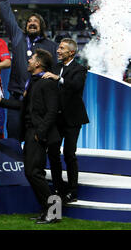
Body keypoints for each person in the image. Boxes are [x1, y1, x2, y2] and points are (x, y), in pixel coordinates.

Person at [0, 49, 60, 224]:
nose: (29, 61)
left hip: (38, 134)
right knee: (31, 172)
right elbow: (23, 106)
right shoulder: (33, 82)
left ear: (38, 64)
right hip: (31, 133)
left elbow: (52, 111)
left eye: (31, 59)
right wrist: (2, 101)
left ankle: (54, 211)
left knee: (34, 172)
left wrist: (40, 133)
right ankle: (47, 210)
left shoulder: (47, 83)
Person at [0, 0, 57, 140]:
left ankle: (34, 166)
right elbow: (8, 17)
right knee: (15, 137)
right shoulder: (18, 38)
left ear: (41, 26)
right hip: (16, 96)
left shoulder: (51, 46)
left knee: (35, 139)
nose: (32, 23)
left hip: (38, 100)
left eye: (36, 21)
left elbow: (54, 72)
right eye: (29, 21)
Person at [42, 38, 89, 204]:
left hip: (72, 119)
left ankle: (73, 190)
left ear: (71, 52)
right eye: (58, 48)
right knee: (53, 152)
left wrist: (58, 79)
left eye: (61, 48)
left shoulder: (80, 69)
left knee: (69, 154)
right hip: (56, 118)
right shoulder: (55, 67)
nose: (58, 51)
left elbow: (76, 86)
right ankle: (58, 186)